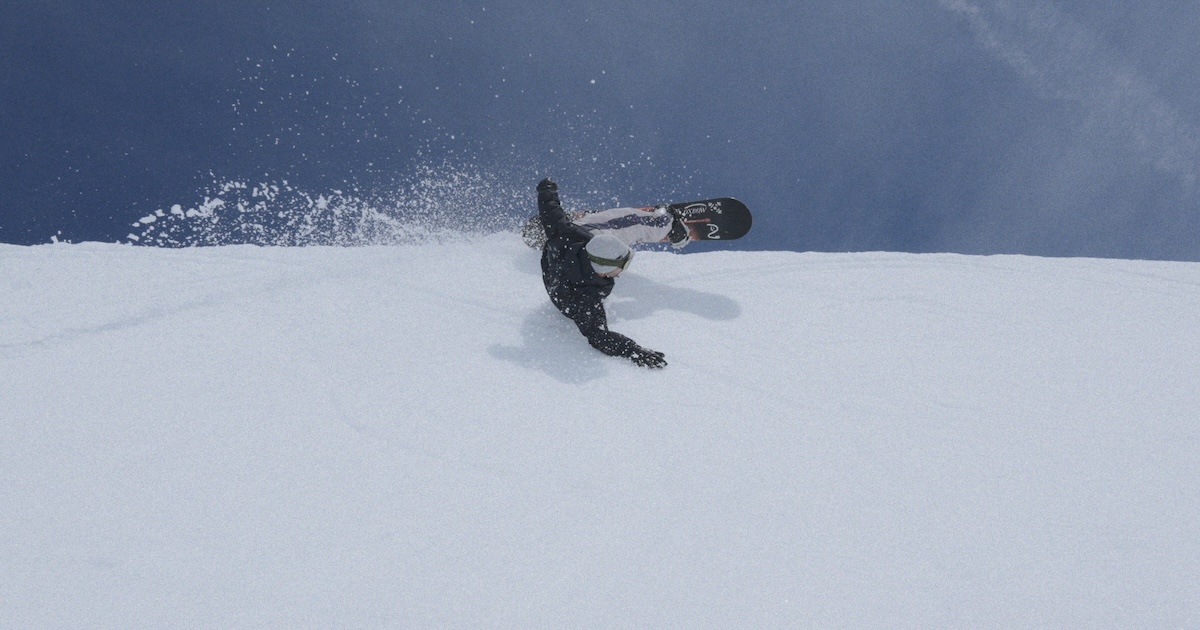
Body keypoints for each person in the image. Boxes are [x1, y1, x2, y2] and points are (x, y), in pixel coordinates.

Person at [536, 178, 687, 369]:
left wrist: (546, 189)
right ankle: (668, 223)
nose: (622, 271)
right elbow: (599, 336)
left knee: (577, 229)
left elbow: (550, 209)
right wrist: (633, 350)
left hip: (558, 262)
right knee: (628, 224)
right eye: (622, 265)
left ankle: (560, 229)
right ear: (603, 270)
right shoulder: (586, 299)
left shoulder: (566, 235)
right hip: (560, 276)